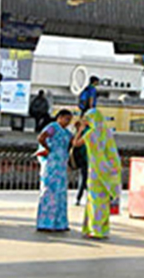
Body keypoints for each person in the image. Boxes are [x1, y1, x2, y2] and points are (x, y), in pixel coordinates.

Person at [72, 109, 122, 239]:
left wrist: (80, 130)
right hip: (108, 172)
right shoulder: (108, 133)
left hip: (95, 172)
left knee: (94, 202)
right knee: (103, 202)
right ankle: (103, 229)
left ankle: (94, 229)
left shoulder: (90, 134)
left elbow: (75, 144)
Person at [36, 109, 74, 232]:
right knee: (49, 192)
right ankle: (45, 223)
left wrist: (79, 129)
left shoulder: (67, 132)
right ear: (60, 117)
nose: (68, 122)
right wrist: (48, 148)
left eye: (70, 120)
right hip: (52, 164)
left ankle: (59, 223)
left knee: (60, 193)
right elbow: (41, 137)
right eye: (66, 119)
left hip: (61, 165)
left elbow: (75, 142)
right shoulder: (53, 127)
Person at [74, 76, 99, 206]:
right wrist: (91, 109)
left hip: (83, 156)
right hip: (89, 157)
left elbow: (75, 142)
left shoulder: (82, 129)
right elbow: (91, 101)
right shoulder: (92, 131)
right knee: (88, 178)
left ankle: (79, 198)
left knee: (83, 177)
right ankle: (89, 198)